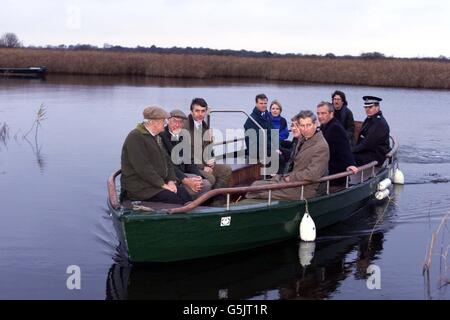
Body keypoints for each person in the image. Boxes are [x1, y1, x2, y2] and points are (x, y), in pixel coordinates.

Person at [246, 110, 329, 200]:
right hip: (292, 182)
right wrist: (284, 176)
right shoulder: (303, 140)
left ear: (315, 124)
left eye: (308, 125)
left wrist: (290, 177)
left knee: (260, 192)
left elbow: (313, 174)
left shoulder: (321, 146)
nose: (305, 129)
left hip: (303, 188)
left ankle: (242, 209)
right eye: (302, 126)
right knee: (255, 185)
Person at [120, 106, 191, 204]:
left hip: (154, 184)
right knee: (173, 198)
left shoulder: (156, 137)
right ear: (154, 123)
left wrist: (171, 181)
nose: (165, 124)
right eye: (163, 121)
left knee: (183, 193)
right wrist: (162, 185)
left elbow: (168, 162)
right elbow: (143, 168)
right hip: (140, 188)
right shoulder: (135, 137)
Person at [160, 109, 212, 199]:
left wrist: (198, 176)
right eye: (174, 121)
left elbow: (189, 160)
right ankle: (189, 204)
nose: (177, 125)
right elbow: (168, 165)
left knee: (204, 182)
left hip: (183, 172)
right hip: (170, 175)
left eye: (180, 122)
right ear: (168, 121)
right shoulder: (161, 137)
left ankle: (195, 204)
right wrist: (186, 180)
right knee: (204, 184)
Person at [184, 98, 232, 191]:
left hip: (204, 164)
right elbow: (186, 155)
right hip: (190, 167)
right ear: (191, 111)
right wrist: (203, 167)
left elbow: (209, 149)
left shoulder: (204, 127)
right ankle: (204, 200)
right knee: (210, 178)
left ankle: (216, 199)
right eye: (197, 111)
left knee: (226, 170)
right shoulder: (185, 128)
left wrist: (211, 162)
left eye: (203, 111)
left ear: (206, 112)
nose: (200, 114)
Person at [316, 101, 358, 186]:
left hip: (334, 173)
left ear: (331, 113)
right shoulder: (325, 126)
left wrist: (350, 164)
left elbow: (344, 147)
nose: (320, 116)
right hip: (327, 165)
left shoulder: (335, 128)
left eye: (323, 113)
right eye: (318, 113)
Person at [353, 96, 390, 166]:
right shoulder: (370, 119)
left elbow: (367, 144)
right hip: (369, 152)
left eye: (370, 107)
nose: (367, 109)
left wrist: (351, 151)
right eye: (366, 107)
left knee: (348, 157)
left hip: (376, 156)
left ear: (377, 107)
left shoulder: (378, 124)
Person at [244, 93, 273, 162]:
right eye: (261, 103)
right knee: (281, 158)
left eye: (265, 103)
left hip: (267, 146)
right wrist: (272, 149)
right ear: (256, 104)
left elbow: (271, 131)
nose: (263, 105)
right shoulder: (252, 119)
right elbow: (256, 141)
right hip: (257, 151)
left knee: (288, 148)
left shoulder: (266, 115)